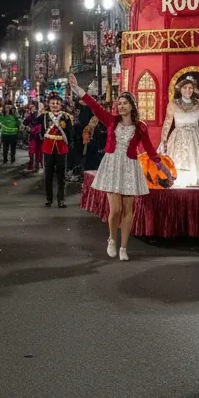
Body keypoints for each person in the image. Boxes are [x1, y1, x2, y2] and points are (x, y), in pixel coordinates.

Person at [71, 75, 162, 261]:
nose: (121, 106)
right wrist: (79, 90)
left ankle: (123, 247)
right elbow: (95, 107)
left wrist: (161, 167)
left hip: (130, 166)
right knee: (115, 210)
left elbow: (150, 149)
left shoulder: (140, 127)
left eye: (124, 103)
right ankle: (112, 239)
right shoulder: (111, 121)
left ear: (132, 106)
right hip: (112, 165)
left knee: (129, 210)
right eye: (119, 103)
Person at [159, 77, 199, 187]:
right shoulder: (173, 104)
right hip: (178, 136)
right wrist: (164, 139)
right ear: (180, 90)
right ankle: (178, 179)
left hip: (195, 135)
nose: (188, 90)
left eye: (190, 88)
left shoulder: (198, 103)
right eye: (185, 87)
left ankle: (195, 178)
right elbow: (167, 122)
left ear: (193, 89)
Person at [40, 92, 73, 208]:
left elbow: (69, 132)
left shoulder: (66, 117)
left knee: (61, 175)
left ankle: (61, 199)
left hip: (61, 147)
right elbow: (38, 127)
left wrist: (70, 144)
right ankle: (49, 199)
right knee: (48, 175)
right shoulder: (44, 116)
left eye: (57, 103)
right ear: (48, 104)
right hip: (48, 147)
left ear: (61, 105)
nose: (54, 105)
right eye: (52, 103)